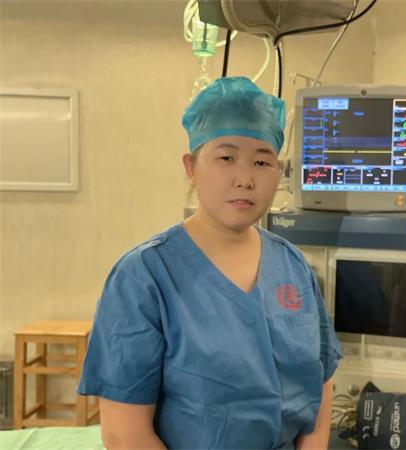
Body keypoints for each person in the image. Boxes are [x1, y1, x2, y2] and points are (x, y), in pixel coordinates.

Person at [77, 77, 342, 450]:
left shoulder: (292, 265)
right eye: (226, 158)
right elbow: (125, 434)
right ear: (191, 167)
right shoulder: (144, 276)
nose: (245, 179)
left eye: (261, 161)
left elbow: (322, 382)